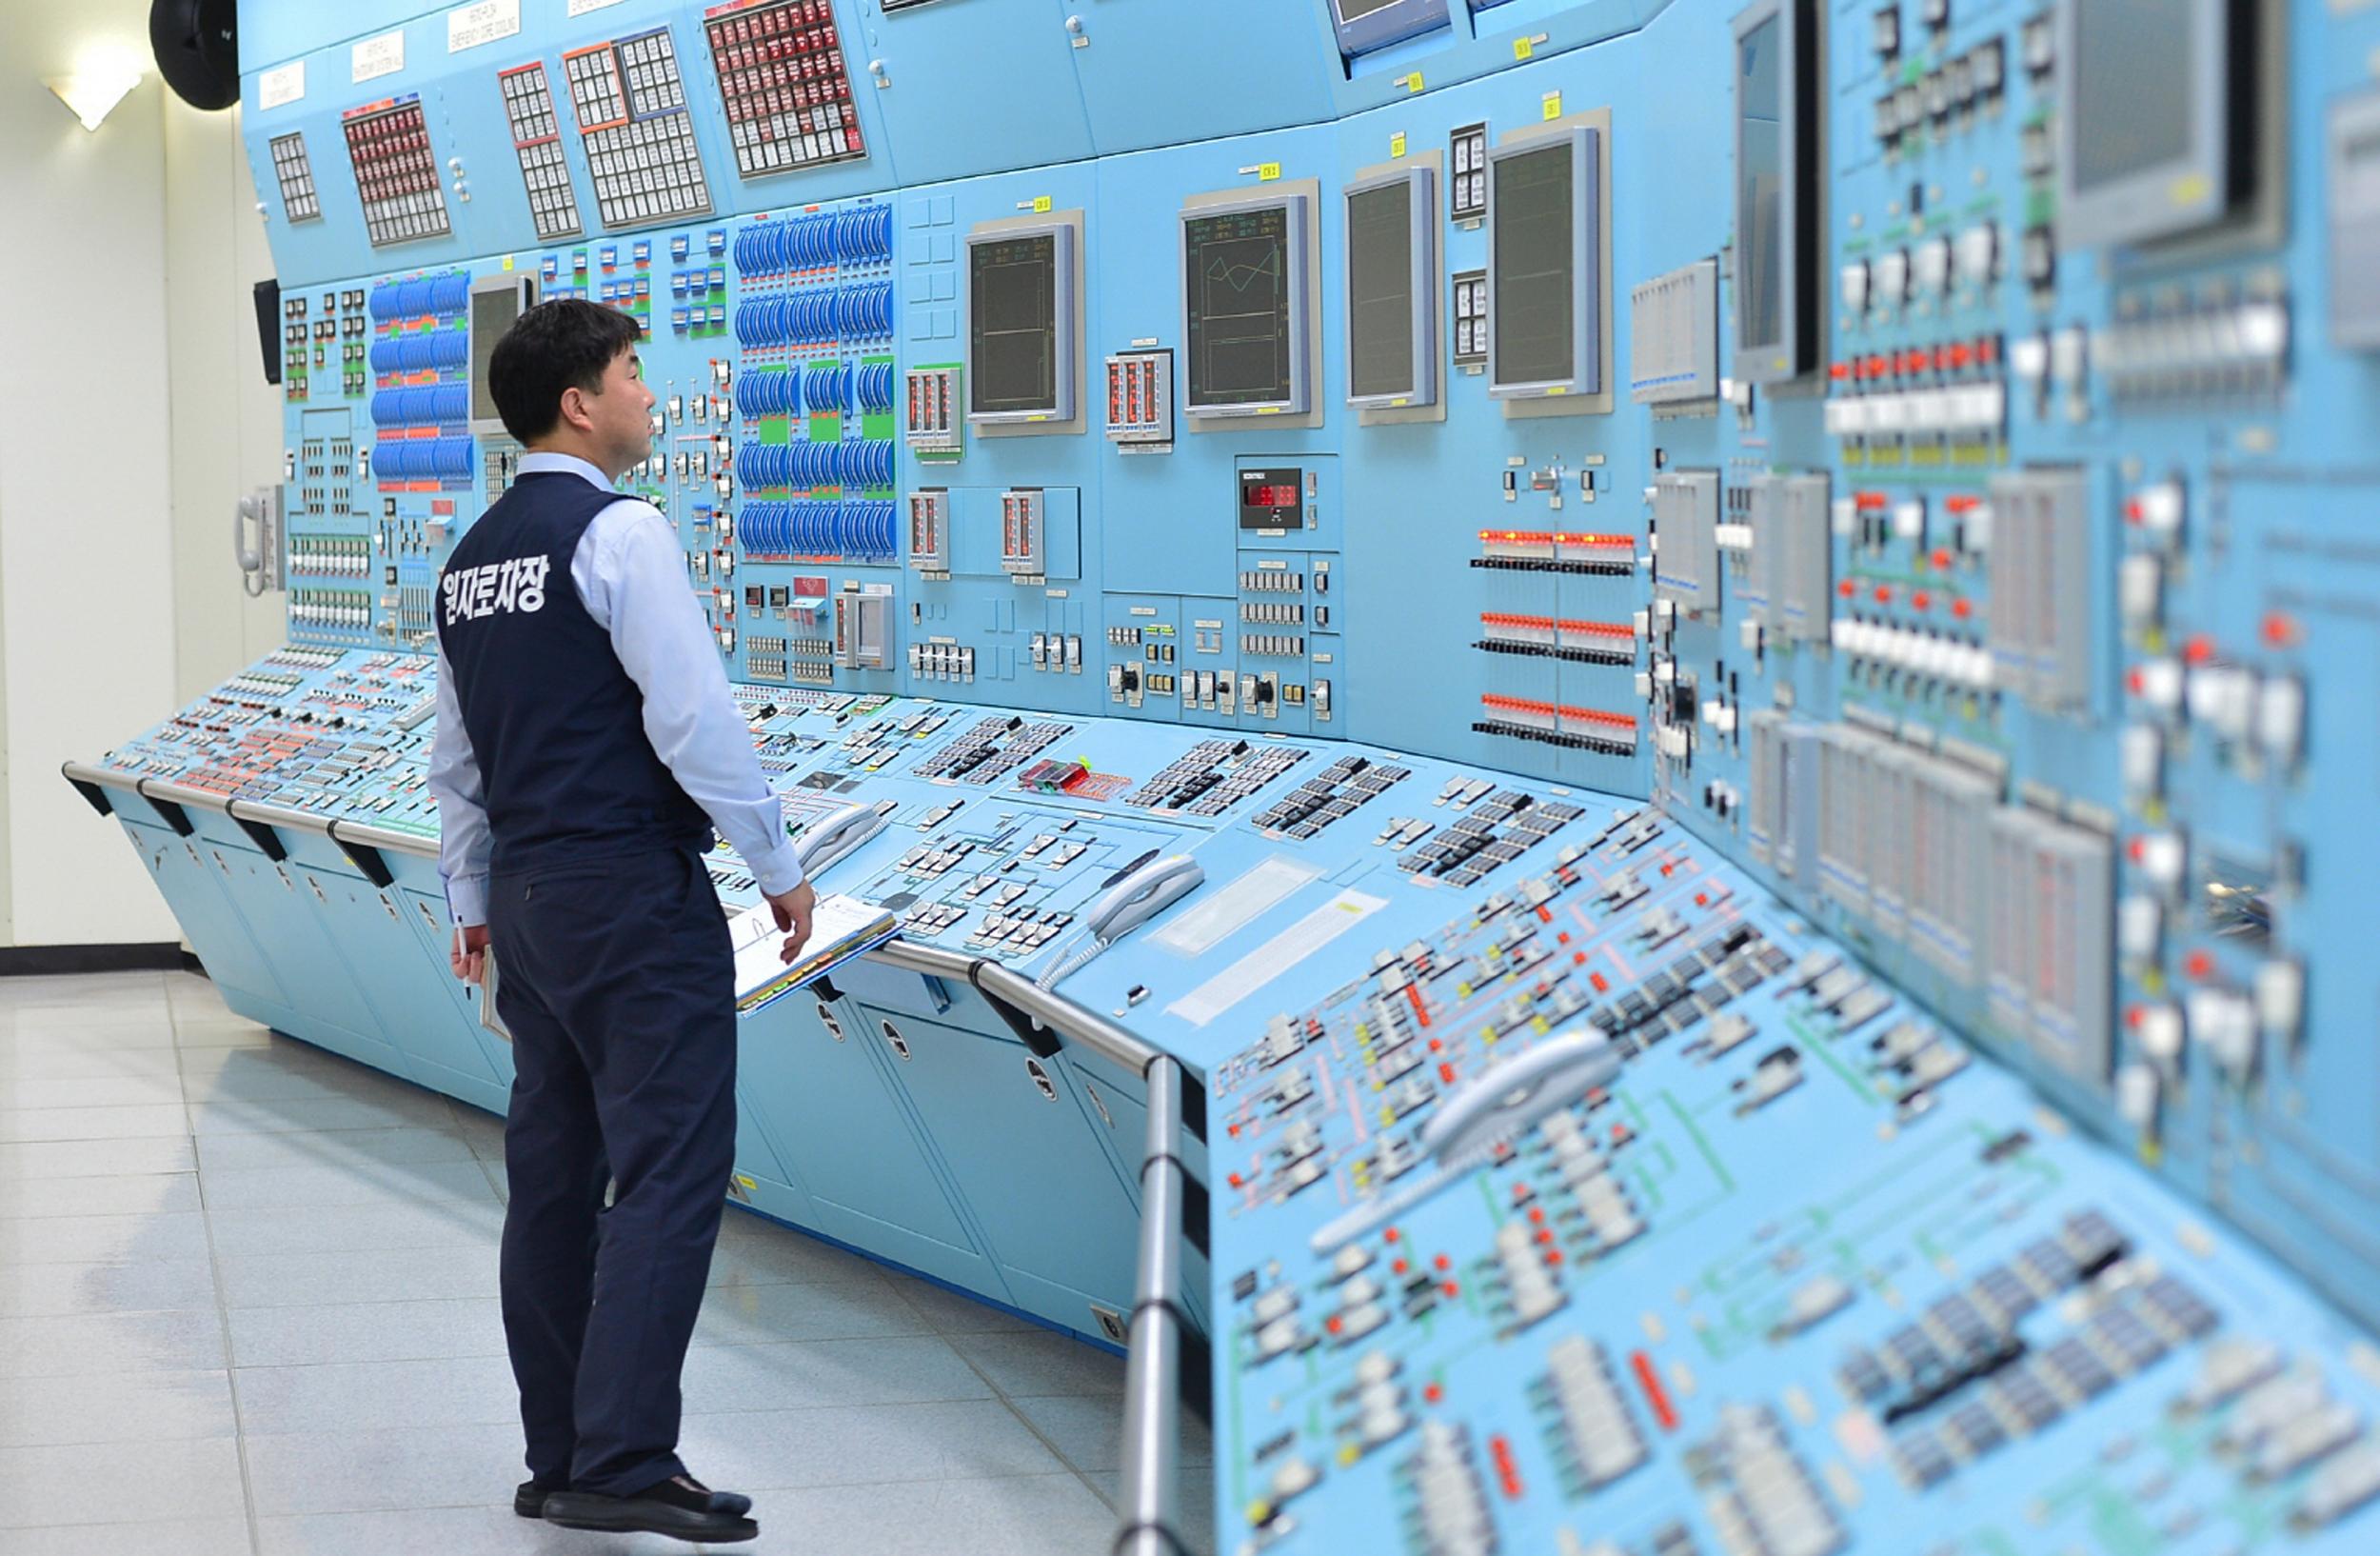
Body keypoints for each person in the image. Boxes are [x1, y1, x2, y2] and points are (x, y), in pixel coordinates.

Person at [426, 298, 814, 1545]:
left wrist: (472, 902)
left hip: (532, 902)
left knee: (552, 1177)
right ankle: (627, 1457)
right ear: (580, 403)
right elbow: (691, 716)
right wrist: (777, 860)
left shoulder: (471, 557)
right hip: (632, 894)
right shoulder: (622, 532)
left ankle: (560, 1456)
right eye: (635, 374)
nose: (651, 394)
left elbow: (455, 762)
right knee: (670, 1166)